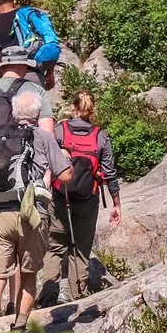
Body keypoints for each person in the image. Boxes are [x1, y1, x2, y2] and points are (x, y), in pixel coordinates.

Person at [0, 46, 66, 333]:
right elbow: (46, 137)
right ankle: (17, 320)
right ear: (24, 66)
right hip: (30, 197)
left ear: (1, 67)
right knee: (29, 267)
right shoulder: (37, 95)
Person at [42, 89, 121, 304]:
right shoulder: (100, 136)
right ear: (92, 110)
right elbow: (109, 172)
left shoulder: (60, 131)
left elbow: (45, 158)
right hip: (88, 199)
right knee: (81, 248)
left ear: (73, 107)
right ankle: (76, 298)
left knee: (56, 246)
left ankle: (48, 295)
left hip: (60, 196)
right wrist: (116, 203)